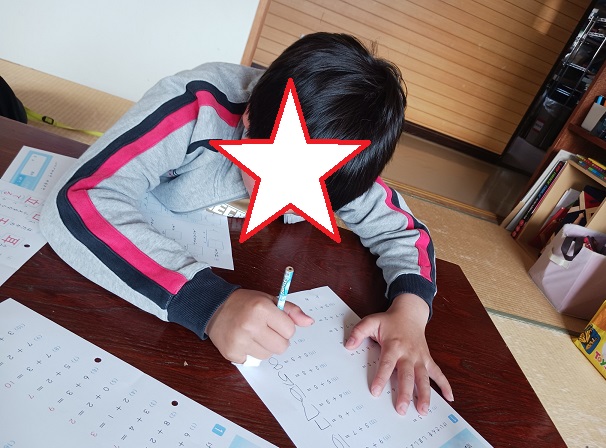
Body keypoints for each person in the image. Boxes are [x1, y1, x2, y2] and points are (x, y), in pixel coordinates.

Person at [40, 32, 453, 416]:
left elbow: (403, 231)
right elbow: (78, 200)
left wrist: (410, 313)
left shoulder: (338, 162)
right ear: (251, 117)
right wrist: (211, 303)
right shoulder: (196, 106)